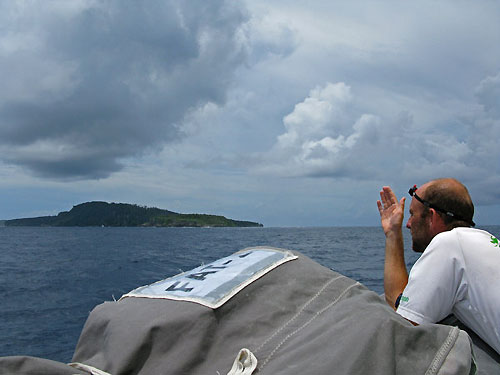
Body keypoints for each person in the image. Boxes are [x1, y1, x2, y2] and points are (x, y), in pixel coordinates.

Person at [377, 178, 500, 354]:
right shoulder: (483, 240)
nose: (408, 224)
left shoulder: (449, 243)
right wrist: (393, 232)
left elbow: (406, 323)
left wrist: (392, 233)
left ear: (432, 217)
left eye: (412, 214)